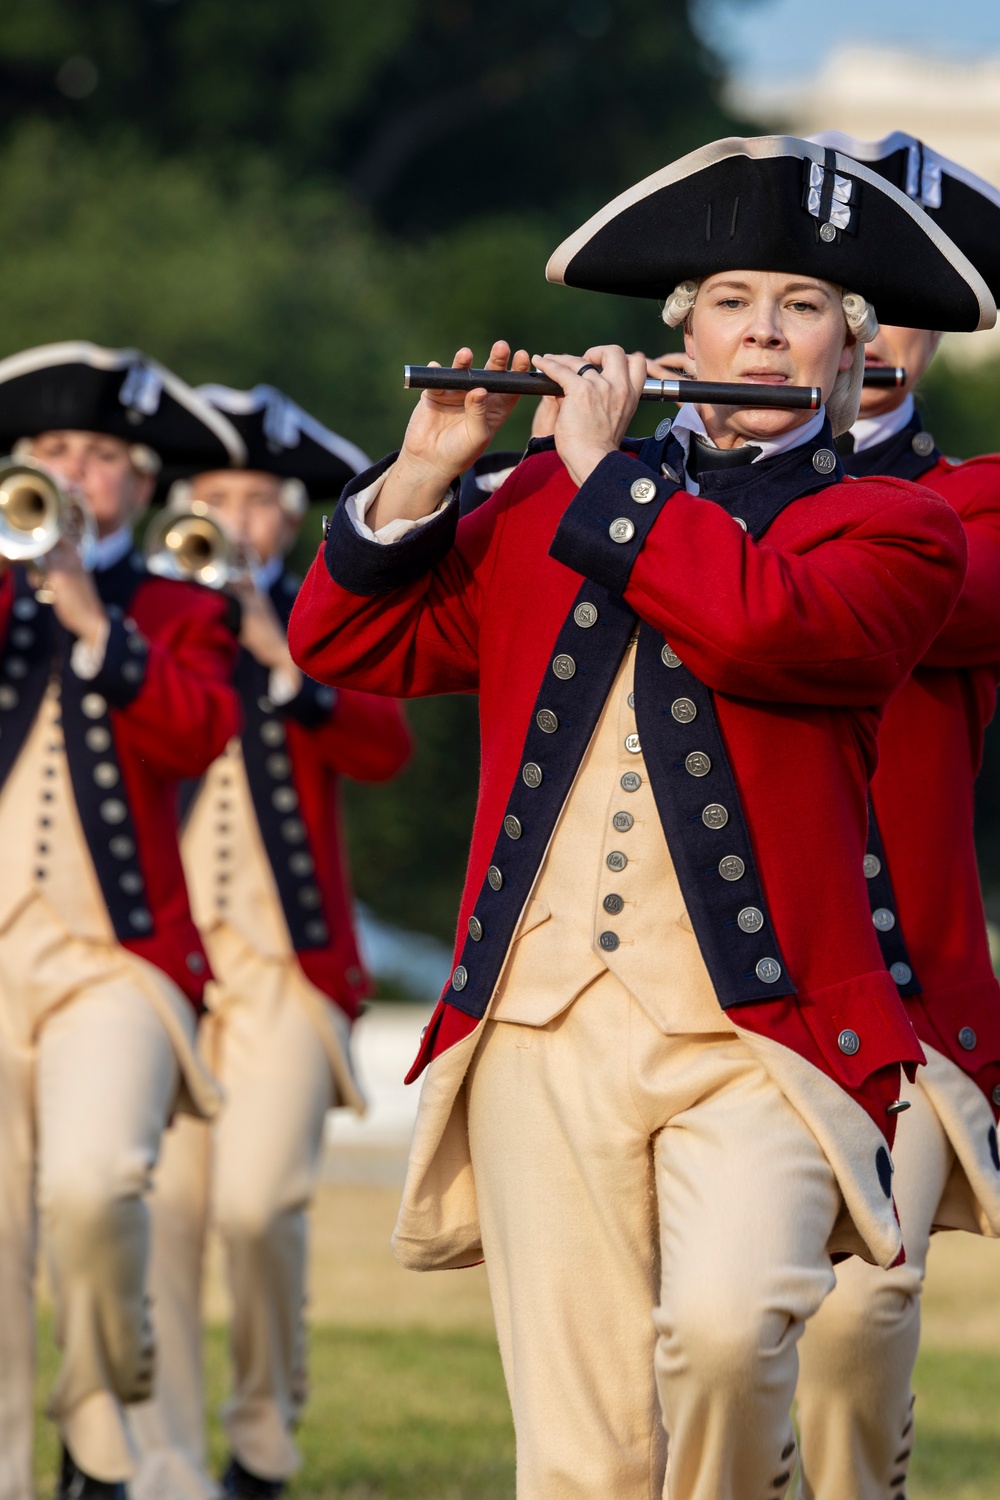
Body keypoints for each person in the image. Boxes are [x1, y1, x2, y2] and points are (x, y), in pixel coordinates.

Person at [287, 136, 990, 1500]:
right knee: (585, 1457)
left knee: (731, 1338)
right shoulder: (548, 494)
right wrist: (429, 474)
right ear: (685, 326)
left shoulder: (894, 524)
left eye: (803, 311)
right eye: (735, 301)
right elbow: (345, 644)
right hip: (546, 1017)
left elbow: (767, 630)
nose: (765, 333)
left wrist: (602, 473)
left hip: (766, 1026)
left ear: (856, 356)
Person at [129, 385, 412, 1500]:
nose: (240, 520)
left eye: (260, 502)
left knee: (256, 1211)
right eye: (219, 498)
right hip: (160, 963)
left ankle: (261, 1443)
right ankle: (157, 1458)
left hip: (288, 966)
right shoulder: (143, 611)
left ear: (291, 518)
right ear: (185, 503)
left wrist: (277, 655)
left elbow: (384, 747)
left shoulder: (319, 618)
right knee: (163, 1219)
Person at [788, 132, 1000, 1500]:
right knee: (712, 1339)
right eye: (831, 291)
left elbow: (905, 598)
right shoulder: (671, 483)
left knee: (863, 1312)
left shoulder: (970, 503)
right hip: (717, 980)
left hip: (904, 992)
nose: (869, 327)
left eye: (901, 297)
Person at [0, 341, 245, 1500]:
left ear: (143, 487)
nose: (77, 473)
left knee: (97, 1189)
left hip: (121, 961)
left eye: (102, 458)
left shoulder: (180, 608)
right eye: (53, 453)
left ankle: (97, 1418)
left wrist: (94, 621)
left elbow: (195, 736)